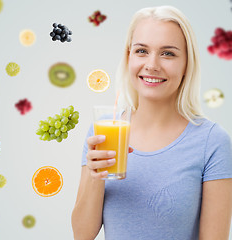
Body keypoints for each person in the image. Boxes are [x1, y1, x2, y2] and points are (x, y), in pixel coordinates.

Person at [71, 5, 232, 240]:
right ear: (128, 57)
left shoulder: (212, 142)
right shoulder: (102, 130)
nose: (152, 64)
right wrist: (95, 179)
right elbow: (82, 234)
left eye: (168, 53)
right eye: (141, 51)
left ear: (187, 63)